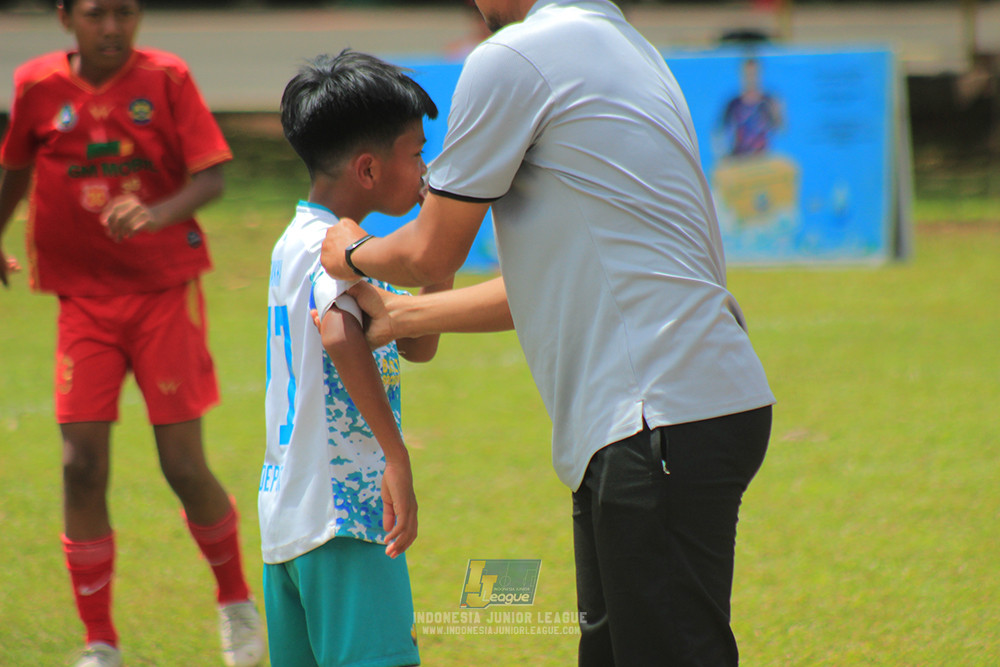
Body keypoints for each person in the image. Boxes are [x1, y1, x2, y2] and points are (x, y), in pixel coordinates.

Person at [319, 1, 776, 665]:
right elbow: (555, 280)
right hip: (686, 405)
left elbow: (431, 251)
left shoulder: (513, 58)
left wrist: (352, 251)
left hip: (654, 414)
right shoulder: (627, 49)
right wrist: (408, 316)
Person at [0, 2, 264, 666]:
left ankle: (235, 600)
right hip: (81, 302)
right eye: (96, 15)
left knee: (182, 465)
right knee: (79, 466)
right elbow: (16, 170)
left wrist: (156, 212)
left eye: (124, 13)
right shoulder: (36, 86)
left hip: (162, 294)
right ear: (65, 19)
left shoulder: (167, 79)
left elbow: (212, 177)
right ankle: (100, 642)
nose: (112, 28)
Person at [260, 50, 446, 667]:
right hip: (349, 511)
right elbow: (341, 334)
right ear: (368, 168)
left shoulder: (303, 240)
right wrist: (396, 457)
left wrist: (436, 248)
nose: (424, 168)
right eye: (416, 153)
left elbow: (414, 340)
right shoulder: (332, 246)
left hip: (289, 523)